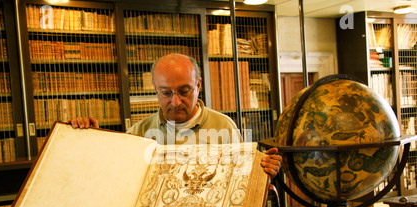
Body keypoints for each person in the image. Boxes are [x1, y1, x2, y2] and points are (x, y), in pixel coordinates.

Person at [69, 53, 281, 177]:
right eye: (166, 93)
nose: (175, 102)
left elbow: (241, 179)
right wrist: (91, 140)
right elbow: (115, 177)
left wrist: (263, 172)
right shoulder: (138, 132)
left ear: (198, 85)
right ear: (155, 88)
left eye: (184, 91)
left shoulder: (224, 127)